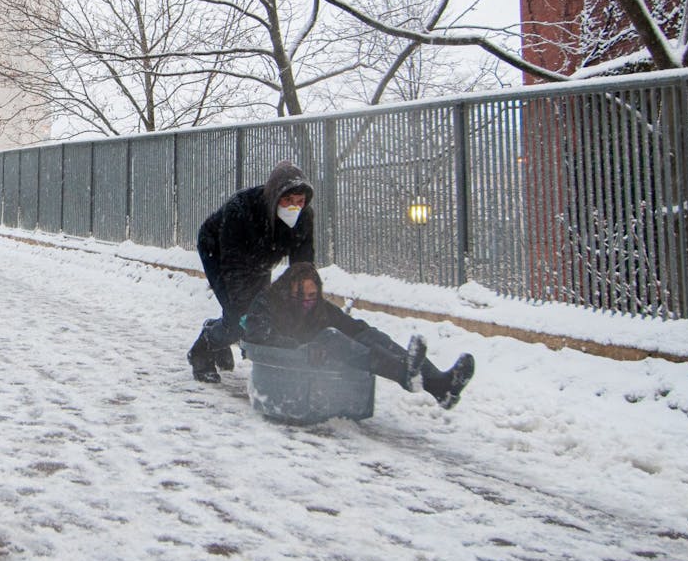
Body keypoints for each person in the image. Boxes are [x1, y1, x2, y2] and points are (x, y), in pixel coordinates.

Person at [243, 263, 476, 409]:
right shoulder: (268, 303)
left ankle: (440, 386)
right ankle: (404, 373)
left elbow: (352, 327)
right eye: (300, 296)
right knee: (331, 337)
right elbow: (258, 333)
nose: (307, 302)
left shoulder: (319, 308)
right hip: (286, 366)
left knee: (369, 336)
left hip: (322, 355)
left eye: (312, 296)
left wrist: (370, 335)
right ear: (287, 291)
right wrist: (298, 347)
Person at [187, 161, 316, 383]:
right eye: (287, 200)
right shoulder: (242, 210)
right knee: (240, 319)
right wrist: (239, 310)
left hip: (261, 259)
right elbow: (233, 267)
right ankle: (202, 350)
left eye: (299, 202)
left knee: (259, 312)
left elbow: (302, 267)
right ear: (275, 196)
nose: (294, 207)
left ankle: (218, 329)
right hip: (219, 251)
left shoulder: (303, 218)